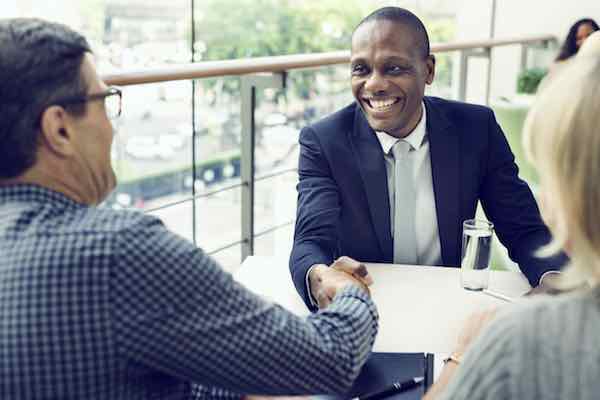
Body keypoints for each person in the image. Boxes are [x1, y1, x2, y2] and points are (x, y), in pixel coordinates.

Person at [0, 18, 378, 400]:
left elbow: (117, 374)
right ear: (59, 129)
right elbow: (329, 360)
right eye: (104, 100)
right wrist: (350, 293)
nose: (112, 126)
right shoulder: (117, 253)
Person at [289, 7, 566, 310]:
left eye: (394, 68)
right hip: (361, 308)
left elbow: (523, 229)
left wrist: (554, 278)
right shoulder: (324, 141)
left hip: (447, 305)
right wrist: (320, 276)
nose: (374, 84)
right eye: (361, 69)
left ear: (429, 70)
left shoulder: (476, 129)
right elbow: (310, 241)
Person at [423, 47, 600, 400]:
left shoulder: (520, 343)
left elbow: (524, 228)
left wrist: (463, 355)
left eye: (547, 176)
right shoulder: (325, 138)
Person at [538, 18, 599, 92]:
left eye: (589, 35)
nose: (585, 40)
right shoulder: (562, 65)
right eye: (579, 38)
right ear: (573, 41)